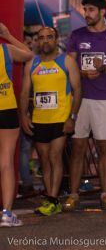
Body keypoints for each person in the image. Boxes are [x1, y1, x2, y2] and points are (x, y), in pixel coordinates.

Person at [64, 0, 106, 212]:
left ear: (102, 11)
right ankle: (73, 194)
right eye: (85, 9)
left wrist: (103, 69)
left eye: (91, 9)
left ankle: (105, 193)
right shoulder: (77, 35)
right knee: (78, 148)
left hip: (105, 99)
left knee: (104, 148)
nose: (87, 14)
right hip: (80, 99)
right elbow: (68, 64)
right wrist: (80, 72)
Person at [19, 26, 81, 217]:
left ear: (56, 40)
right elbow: (24, 93)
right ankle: (50, 197)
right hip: (39, 120)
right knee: (45, 161)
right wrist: (23, 115)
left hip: (60, 119)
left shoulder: (67, 61)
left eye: (49, 37)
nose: (45, 41)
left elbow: (78, 90)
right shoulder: (32, 64)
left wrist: (72, 117)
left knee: (55, 156)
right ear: (38, 41)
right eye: (42, 38)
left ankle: (53, 198)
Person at [0, 22, 34, 226]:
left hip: (7, 110)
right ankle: (6, 213)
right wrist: (8, 35)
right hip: (6, 109)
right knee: (5, 163)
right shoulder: (5, 49)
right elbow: (29, 54)